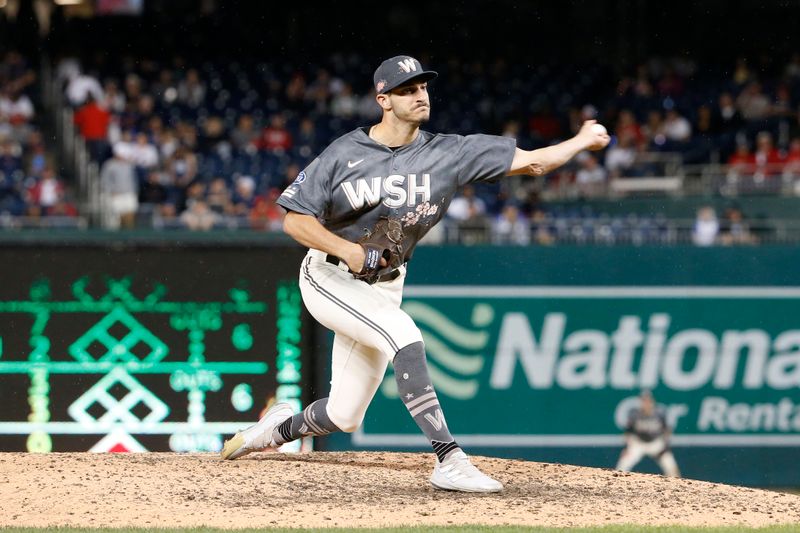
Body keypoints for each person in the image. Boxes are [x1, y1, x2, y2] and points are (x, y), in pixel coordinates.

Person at [219, 55, 609, 493]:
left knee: (345, 415)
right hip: (328, 278)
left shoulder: (450, 152)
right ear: (382, 99)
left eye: (422, 87)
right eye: (407, 90)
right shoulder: (345, 152)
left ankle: (271, 430)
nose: (419, 96)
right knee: (404, 334)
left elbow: (534, 163)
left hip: (385, 286)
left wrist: (580, 141)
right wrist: (346, 249)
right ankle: (449, 459)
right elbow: (294, 220)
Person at [615, 390, 681, 477]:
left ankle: (677, 487)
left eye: (648, 401)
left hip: (655, 443)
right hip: (638, 444)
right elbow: (628, 432)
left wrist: (665, 445)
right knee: (622, 466)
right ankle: (615, 484)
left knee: (671, 467)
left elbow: (667, 430)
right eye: (644, 401)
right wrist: (627, 447)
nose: (646, 403)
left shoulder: (660, 413)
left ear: (652, 401)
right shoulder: (635, 413)